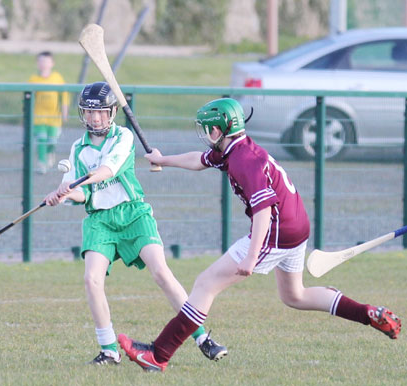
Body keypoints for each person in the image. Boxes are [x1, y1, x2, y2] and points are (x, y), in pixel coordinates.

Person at [118, 97, 402, 372]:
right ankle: (367, 313)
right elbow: (200, 160)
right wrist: (163, 159)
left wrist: (252, 257)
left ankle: (158, 354)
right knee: (295, 296)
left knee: (205, 283)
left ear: (218, 130)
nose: (205, 135)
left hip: (275, 231)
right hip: (296, 226)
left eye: (207, 129)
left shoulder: (244, 161)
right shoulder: (236, 148)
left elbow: (263, 211)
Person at [44, 82, 227, 365]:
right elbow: (84, 194)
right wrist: (64, 192)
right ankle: (108, 350)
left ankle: (203, 338)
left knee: (161, 273)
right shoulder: (78, 148)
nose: (95, 119)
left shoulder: (123, 137)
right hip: (100, 221)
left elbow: (107, 171)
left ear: (112, 112)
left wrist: (73, 183)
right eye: (90, 113)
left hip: (133, 214)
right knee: (91, 280)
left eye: (101, 112)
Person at [29, 51, 69, 174]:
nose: (43, 64)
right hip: (39, 117)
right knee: (41, 139)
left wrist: (64, 112)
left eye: (46, 61)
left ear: (52, 63)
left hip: (54, 117)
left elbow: (64, 96)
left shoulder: (57, 78)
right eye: (41, 61)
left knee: (52, 140)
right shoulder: (34, 80)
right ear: (37, 64)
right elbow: (29, 99)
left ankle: (50, 153)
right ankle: (42, 164)